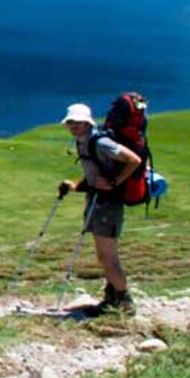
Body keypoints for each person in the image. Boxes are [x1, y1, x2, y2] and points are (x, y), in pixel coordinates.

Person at [57, 102, 140, 314]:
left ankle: (125, 303)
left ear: (87, 123)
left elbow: (134, 160)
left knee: (109, 258)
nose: (74, 125)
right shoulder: (83, 142)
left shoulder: (100, 142)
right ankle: (112, 298)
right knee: (103, 257)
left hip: (107, 203)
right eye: (71, 122)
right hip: (96, 200)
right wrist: (76, 186)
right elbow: (96, 171)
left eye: (78, 122)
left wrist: (115, 182)